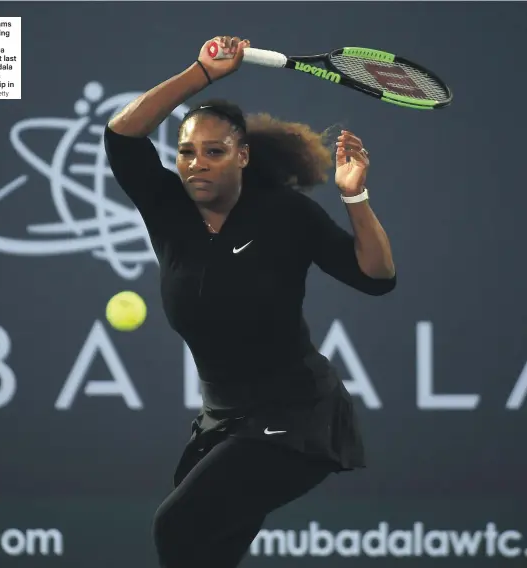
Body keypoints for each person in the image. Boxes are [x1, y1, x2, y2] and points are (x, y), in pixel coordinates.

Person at [104, 35, 396, 568]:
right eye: (186, 151)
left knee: (177, 525)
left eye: (214, 151)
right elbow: (122, 136)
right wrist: (202, 73)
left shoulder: (285, 214)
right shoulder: (166, 206)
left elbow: (375, 278)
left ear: (241, 155)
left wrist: (354, 196)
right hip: (223, 418)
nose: (197, 164)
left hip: (298, 414)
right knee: (204, 552)